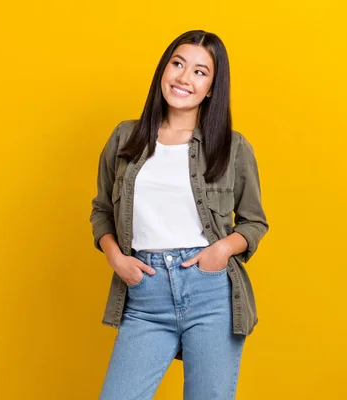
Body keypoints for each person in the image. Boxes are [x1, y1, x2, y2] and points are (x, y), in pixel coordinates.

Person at [90, 29, 269, 400]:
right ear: (163, 70)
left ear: (212, 89)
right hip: (145, 293)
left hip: (210, 293)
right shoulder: (125, 138)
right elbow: (102, 211)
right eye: (177, 64)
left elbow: (254, 222)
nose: (184, 78)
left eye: (200, 72)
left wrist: (221, 251)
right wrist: (116, 257)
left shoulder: (233, 148)